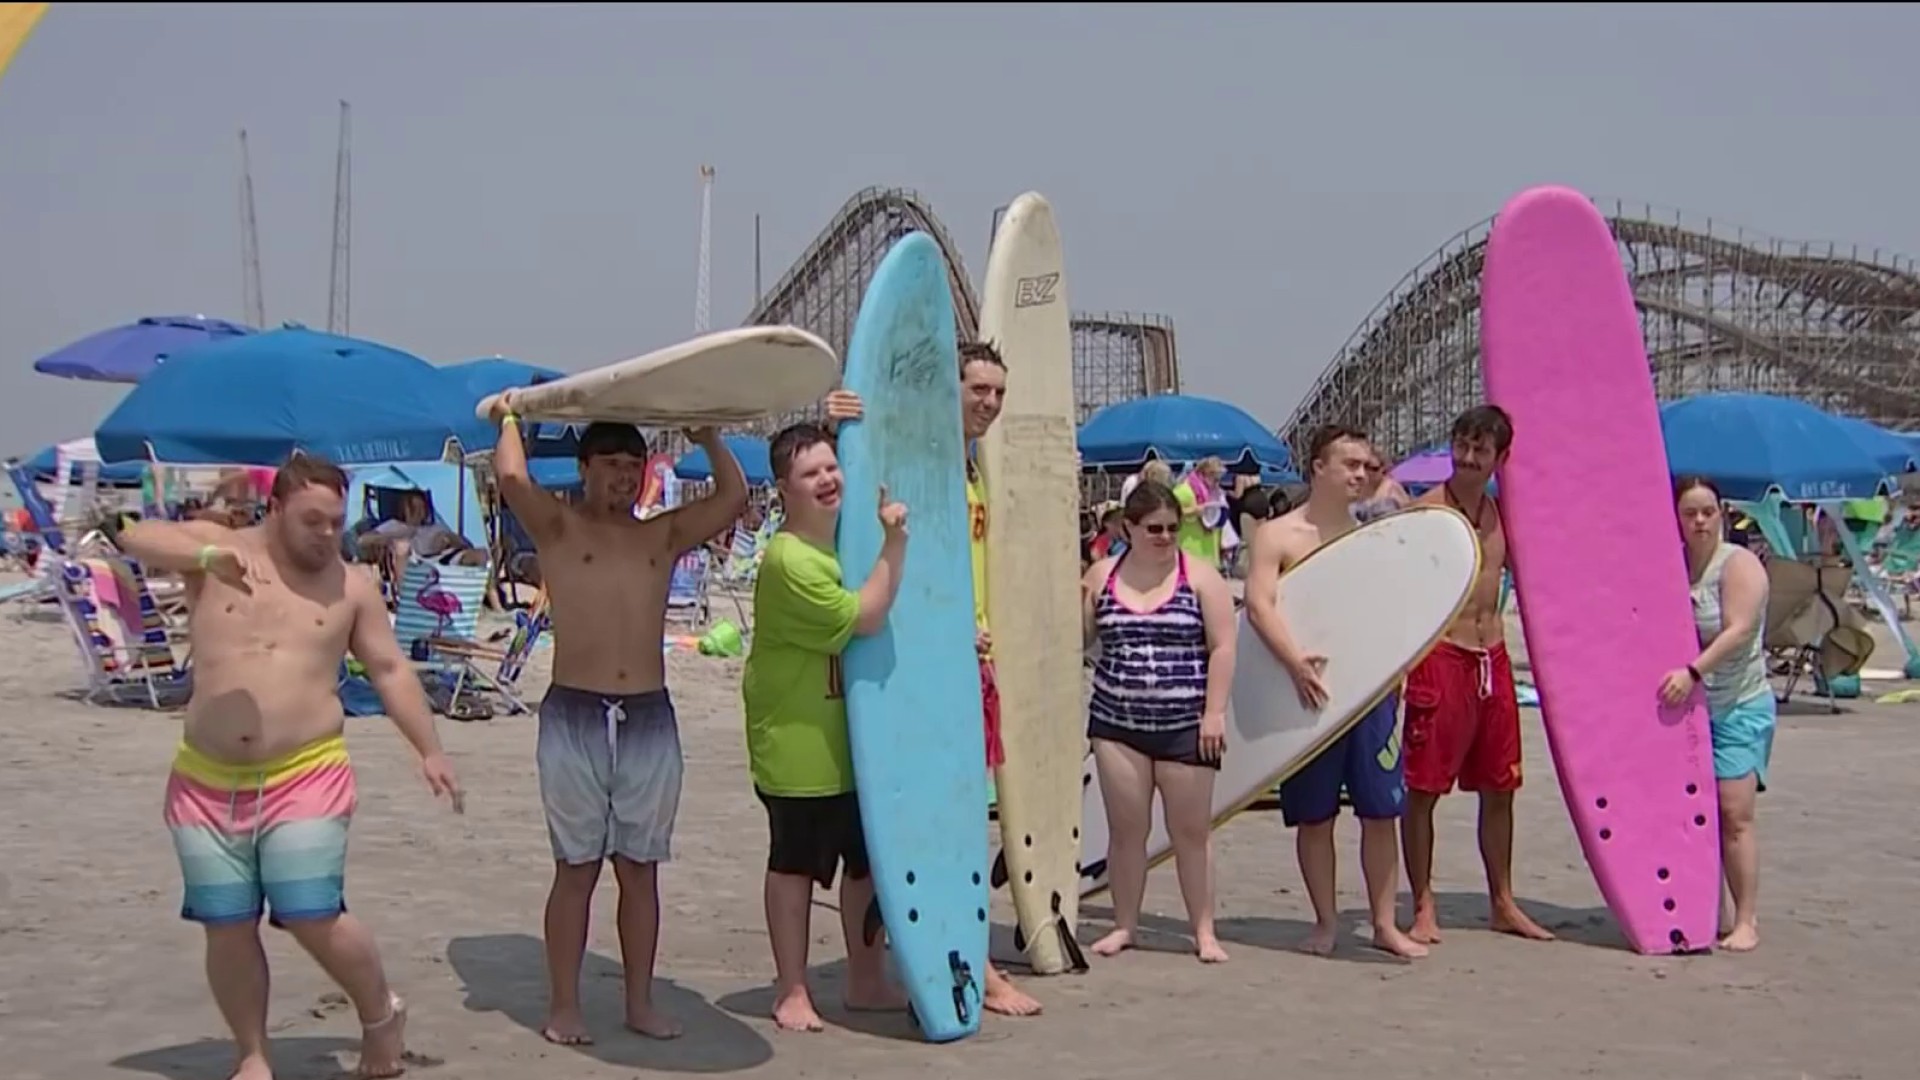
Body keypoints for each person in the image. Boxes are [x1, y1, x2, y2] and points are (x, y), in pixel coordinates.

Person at [116, 453, 462, 1080]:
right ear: (274, 508)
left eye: (336, 522)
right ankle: (252, 1054)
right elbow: (131, 534)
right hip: (205, 778)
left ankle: (380, 1013)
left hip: (306, 769)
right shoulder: (220, 550)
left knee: (310, 911)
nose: (328, 535)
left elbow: (388, 670)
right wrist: (202, 560)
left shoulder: (352, 585)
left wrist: (429, 749)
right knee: (227, 925)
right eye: (312, 521)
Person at [490, 407, 748, 1044]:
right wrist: (510, 417)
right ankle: (564, 1006)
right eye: (611, 467)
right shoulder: (558, 526)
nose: (624, 479)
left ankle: (639, 1001)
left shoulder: (658, 536)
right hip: (575, 711)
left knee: (641, 867)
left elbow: (735, 496)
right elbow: (512, 480)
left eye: (634, 468)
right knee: (575, 868)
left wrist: (708, 435)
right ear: (585, 469)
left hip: (647, 715)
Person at [821, 339, 1044, 1018]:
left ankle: (962, 957)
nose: (991, 404)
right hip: (909, 670)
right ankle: (882, 975)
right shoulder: (909, 460)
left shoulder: (971, 469)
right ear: (945, 391)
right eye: (979, 389)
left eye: (999, 393)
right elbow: (849, 508)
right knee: (890, 824)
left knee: (958, 819)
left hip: (967, 670)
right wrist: (841, 423)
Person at [743, 422, 913, 1031]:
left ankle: (866, 981)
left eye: (831, 467)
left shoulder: (841, 539)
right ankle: (791, 989)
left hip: (853, 742)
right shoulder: (790, 559)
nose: (827, 480)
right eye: (810, 473)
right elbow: (866, 616)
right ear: (784, 488)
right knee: (794, 864)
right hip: (796, 744)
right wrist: (896, 544)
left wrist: (850, 409)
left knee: (865, 863)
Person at [1243, 423, 1426, 960]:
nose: (1361, 474)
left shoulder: (1371, 536)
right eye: (1350, 464)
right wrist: (1294, 663)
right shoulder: (1277, 535)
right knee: (1315, 814)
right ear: (1318, 468)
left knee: (1380, 810)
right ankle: (1324, 921)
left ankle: (1384, 924)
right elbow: (1259, 604)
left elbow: (1395, 609)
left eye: (1367, 467)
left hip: (1370, 694)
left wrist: (1399, 668)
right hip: (1305, 694)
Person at [1398, 405, 1556, 944]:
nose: (1467, 459)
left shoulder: (1503, 515)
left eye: (1480, 450)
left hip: (1493, 658)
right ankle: (1422, 904)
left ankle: (1502, 902)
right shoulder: (1425, 513)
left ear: (1500, 458)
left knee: (1501, 786)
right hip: (1441, 655)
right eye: (1461, 446)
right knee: (1423, 789)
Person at [1080, 480, 1238, 963]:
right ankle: (1125, 924)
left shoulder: (1201, 577)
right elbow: (1077, 638)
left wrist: (1213, 713)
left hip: (1184, 722)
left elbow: (1224, 647)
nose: (1165, 536)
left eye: (1172, 527)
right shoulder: (1102, 576)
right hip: (1116, 721)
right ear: (1128, 527)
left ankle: (1204, 931)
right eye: (1153, 529)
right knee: (1126, 832)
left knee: (1191, 833)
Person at [1663, 475, 1773, 952]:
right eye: (1690, 513)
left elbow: (1738, 630)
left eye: (1707, 511)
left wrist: (1692, 672)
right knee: (1691, 811)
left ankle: (1745, 918)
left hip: (1738, 704)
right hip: (1687, 711)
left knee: (1734, 813)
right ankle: (1707, 910)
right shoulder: (1673, 566)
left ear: (1721, 513)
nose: (1700, 521)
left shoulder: (1740, 565)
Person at [1353, 442, 1411, 522]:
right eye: (1364, 467)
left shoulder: (1392, 488)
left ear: (1383, 469)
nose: (1367, 473)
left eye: (1373, 469)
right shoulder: (1355, 488)